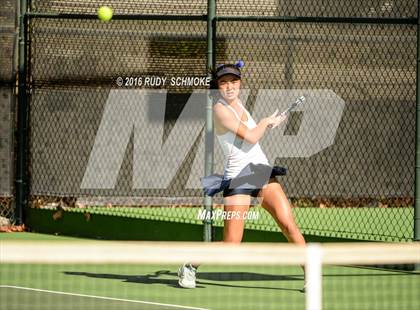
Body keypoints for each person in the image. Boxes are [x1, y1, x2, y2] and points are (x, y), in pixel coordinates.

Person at [178, 61, 306, 291]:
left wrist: (270, 123)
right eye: (224, 82)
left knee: (288, 224)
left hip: (261, 171)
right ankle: (189, 265)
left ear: (240, 83)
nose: (229, 86)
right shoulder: (218, 109)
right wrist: (265, 122)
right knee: (231, 244)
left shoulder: (239, 104)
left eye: (233, 81)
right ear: (217, 86)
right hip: (238, 178)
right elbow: (250, 137)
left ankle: (310, 274)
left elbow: (250, 139)